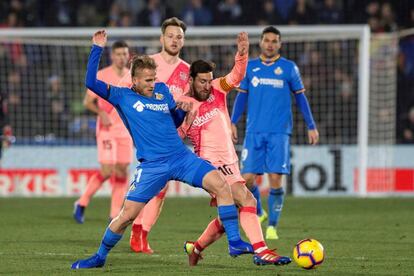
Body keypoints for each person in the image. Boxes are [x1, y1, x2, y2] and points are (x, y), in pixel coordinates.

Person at [71, 30, 251, 269]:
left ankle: (235, 241)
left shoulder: (163, 91)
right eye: (147, 80)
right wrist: (97, 48)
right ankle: (99, 257)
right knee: (126, 216)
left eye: (153, 78)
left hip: (180, 157)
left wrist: (183, 110)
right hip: (152, 166)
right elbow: (90, 82)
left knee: (221, 185)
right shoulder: (121, 95)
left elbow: (173, 121)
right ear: (134, 80)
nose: (152, 83)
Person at [180, 32, 291, 266]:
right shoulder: (184, 105)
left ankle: (196, 247)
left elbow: (236, 75)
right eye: (202, 81)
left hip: (230, 161)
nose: (207, 85)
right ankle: (262, 251)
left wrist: (242, 54)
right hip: (210, 164)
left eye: (209, 80)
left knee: (227, 213)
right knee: (248, 200)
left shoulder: (217, 89)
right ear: (191, 80)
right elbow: (176, 137)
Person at [230, 26, 319, 240]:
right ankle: (259, 212)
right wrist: (232, 122)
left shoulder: (289, 68)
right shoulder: (250, 68)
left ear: (280, 44)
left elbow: (300, 98)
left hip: (279, 133)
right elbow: (241, 97)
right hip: (254, 132)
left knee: (275, 180)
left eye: (274, 41)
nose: (270, 44)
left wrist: (311, 125)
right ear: (260, 42)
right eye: (267, 40)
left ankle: (272, 226)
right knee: (247, 180)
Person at [118, 17, 191, 254]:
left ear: (183, 40)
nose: (174, 40)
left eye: (179, 36)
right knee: (152, 186)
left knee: (162, 189)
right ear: (162, 38)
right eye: (170, 36)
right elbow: (123, 92)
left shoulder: (187, 71)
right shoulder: (148, 64)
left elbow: (190, 103)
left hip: (173, 138)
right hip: (148, 139)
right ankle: (137, 231)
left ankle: (141, 233)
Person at [73, 41, 132, 224]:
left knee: (122, 170)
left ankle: (114, 215)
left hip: (125, 130)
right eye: (119, 54)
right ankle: (82, 203)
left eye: (125, 54)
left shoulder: (132, 76)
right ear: (112, 56)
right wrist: (101, 113)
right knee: (107, 170)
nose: (122, 57)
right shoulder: (102, 75)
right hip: (106, 129)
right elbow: (87, 102)